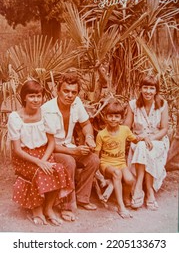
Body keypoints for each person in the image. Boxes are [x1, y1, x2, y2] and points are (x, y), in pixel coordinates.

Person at [7, 80, 74, 226]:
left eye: (39, 96)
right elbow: (17, 150)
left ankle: (48, 208)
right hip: (25, 157)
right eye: (32, 96)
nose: (36, 100)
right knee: (39, 172)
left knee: (58, 170)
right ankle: (36, 209)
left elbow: (51, 143)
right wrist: (39, 163)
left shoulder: (46, 115)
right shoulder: (15, 117)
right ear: (24, 97)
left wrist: (44, 160)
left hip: (44, 153)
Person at [41, 71, 99, 221]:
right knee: (69, 161)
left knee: (93, 160)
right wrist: (74, 151)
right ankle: (66, 206)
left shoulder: (76, 103)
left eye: (73, 92)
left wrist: (89, 137)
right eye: (66, 91)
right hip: (51, 150)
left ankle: (82, 198)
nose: (69, 95)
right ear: (58, 90)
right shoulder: (47, 109)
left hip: (69, 146)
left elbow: (86, 123)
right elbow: (49, 144)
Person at [124, 74, 169, 211]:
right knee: (143, 146)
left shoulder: (162, 104)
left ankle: (140, 187)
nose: (148, 91)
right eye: (145, 88)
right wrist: (140, 137)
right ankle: (149, 191)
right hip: (138, 140)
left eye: (151, 88)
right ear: (140, 89)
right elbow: (126, 127)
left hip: (158, 141)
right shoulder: (133, 105)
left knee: (146, 147)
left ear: (156, 91)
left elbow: (164, 129)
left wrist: (151, 138)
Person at [95, 99, 142, 218]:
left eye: (117, 116)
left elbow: (135, 139)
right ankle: (121, 206)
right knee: (116, 173)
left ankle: (125, 197)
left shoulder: (125, 130)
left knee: (130, 180)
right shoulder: (101, 134)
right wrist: (97, 171)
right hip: (106, 164)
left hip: (121, 163)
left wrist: (145, 138)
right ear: (105, 117)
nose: (113, 119)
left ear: (121, 119)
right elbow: (96, 155)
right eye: (110, 116)